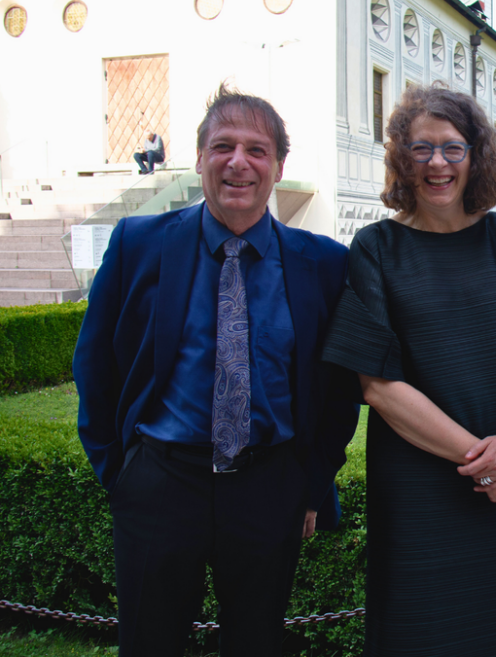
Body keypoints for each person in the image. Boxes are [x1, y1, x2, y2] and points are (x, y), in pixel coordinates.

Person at [74, 84, 358, 657]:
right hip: (160, 480)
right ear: (200, 158)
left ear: (279, 166)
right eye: (223, 146)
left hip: (268, 484)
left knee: (255, 644)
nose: (239, 162)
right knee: (149, 643)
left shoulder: (323, 263)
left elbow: (339, 386)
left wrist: (310, 482)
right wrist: (120, 472)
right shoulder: (139, 244)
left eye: (257, 150)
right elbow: (95, 361)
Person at [321, 84, 496, 656]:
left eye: (453, 148)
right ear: (401, 159)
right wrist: (483, 462)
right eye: (421, 149)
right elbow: (377, 385)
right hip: (421, 493)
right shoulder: (375, 248)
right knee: (419, 631)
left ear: (475, 154)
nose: (438, 163)